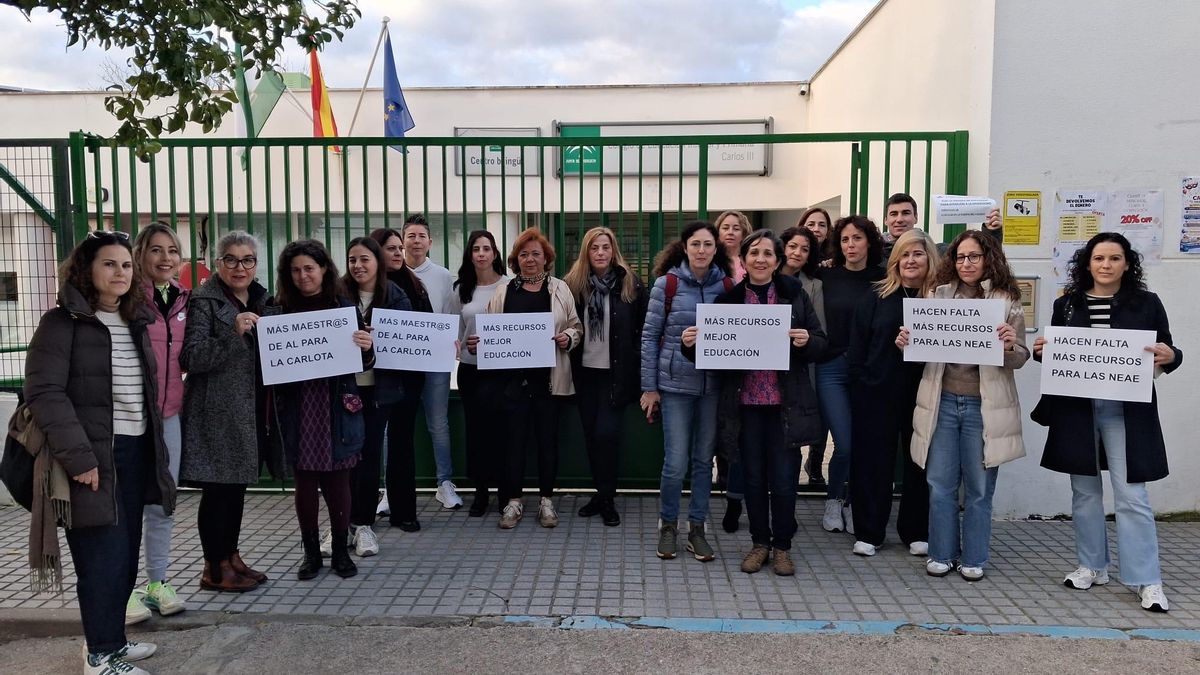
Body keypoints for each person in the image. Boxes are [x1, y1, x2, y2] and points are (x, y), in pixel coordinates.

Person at [25, 230, 176, 675]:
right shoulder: (62, 322)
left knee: (124, 556)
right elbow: (44, 392)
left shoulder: (134, 318)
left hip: (134, 452)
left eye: (126, 265)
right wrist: (80, 458)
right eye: (109, 264)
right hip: (91, 458)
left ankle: (112, 640)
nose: (120, 272)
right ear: (86, 270)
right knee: (101, 559)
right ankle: (99, 655)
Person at [1031, 232, 1180, 613]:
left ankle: (1147, 580)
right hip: (1077, 411)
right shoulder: (1066, 304)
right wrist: (1042, 352)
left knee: (1132, 496)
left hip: (1126, 411)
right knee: (1084, 493)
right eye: (1099, 258)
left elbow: (1167, 349)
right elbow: (1057, 355)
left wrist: (1171, 355)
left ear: (1127, 264)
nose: (1106, 265)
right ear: (1087, 263)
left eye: (1114, 258)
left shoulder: (1147, 302)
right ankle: (1092, 566)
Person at [682, 229, 826, 576]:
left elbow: (821, 343)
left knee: (785, 479)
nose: (760, 259)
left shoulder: (794, 296)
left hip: (785, 406)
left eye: (768, 254)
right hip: (744, 406)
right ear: (743, 260)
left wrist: (807, 341)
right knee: (754, 479)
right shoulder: (727, 302)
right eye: (754, 253)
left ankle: (782, 547)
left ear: (777, 261)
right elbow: (713, 356)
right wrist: (691, 346)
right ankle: (760, 543)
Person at [900, 230, 1028, 582]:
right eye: (960, 257)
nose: (966, 263)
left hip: (984, 407)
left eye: (974, 256)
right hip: (940, 402)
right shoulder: (936, 294)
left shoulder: (1006, 299)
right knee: (939, 483)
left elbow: (1020, 358)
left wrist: (1010, 345)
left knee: (979, 488)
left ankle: (974, 557)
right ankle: (941, 553)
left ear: (988, 259)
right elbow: (922, 349)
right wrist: (907, 342)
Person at [270, 239, 372, 581]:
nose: (303, 276)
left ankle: (340, 550)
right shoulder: (278, 311)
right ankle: (311, 553)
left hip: (335, 404)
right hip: (299, 405)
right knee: (305, 480)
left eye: (309, 268)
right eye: (295, 270)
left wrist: (366, 347)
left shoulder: (343, 307)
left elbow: (363, 362)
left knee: (339, 480)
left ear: (324, 269)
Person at [179, 231, 272, 593]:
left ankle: (231, 557)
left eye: (247, 259)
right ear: (218, 263)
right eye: (230, 259)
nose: (239, 267)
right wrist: (232, 334)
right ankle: (214, 568)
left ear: (256, 264)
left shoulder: (264, 299)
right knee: (218, 491)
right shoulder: (203, 301)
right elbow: (191, 357)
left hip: (249, 409)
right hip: (216, 412)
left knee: (235, 489)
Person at [640, 220, 733, 561]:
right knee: (676, 462)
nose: (702, 250)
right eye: (696, 244)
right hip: (676, 386)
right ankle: (668, 525)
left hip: (712, 386)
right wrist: (649, 388)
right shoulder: (666, 285)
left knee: (702, 461)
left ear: (715, 249)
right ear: (684, 247)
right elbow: (649, 337)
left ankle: (697, 528)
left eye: (708, 244)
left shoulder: (727, 285)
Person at [846, 228, 940, 558]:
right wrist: (860, 386)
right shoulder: (876, 295)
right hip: (877, 392)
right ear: (895, 260)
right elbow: (857, 347)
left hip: (924, 394)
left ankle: (916, 531)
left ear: (930, 258)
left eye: (918, 254)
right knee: (873, 463)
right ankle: (869, 532)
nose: (910, 260)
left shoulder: (941, 300)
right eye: (904, 254)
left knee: (919, 463)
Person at [484, 228, 582, 529]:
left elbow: (576, 327)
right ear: (516, 259)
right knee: (513, 443)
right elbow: (490, 329)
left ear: (546, 258)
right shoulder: (503, 291)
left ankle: (546, 501)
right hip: (513, 384)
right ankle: (513, 502)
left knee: (547, 443)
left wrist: (568, 337)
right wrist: (481, 343)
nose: (530, 259)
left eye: (536, 254)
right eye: (524, 254)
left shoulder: (559, 289)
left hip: (549, 383)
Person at [563, 226, 649, 527]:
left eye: (605, 247)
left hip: (617, 374)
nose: (600, 253)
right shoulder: (572, 285)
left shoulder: (630, 284)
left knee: (606, 434)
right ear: (586, 252)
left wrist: (637, 363)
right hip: (585, 374)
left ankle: (607, 497)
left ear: (613, 251)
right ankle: (600, 494)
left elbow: (644, 329)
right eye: (594, 247)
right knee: (591, 436)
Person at [126, 224, 189, 624]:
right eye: (156, 250)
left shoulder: (185, 299)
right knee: (126, 506)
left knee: (163, 502)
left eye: (172, 251)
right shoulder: (127, 299)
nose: (165, 258)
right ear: (140, 255)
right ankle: (123, 589)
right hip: (130, 418)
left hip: (169, 415)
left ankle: (157, 583)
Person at [340, 236, 412, 557]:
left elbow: (408, 343)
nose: (358, 266)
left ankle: (363, 523)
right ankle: (342, 523)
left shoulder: (395, 296)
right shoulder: (337, 295)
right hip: (343, 388)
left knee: (369, 454)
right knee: (343, 457)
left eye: (364, 259)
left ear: (377, 262)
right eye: (352, 259)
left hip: (378, 389)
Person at [814, 215, 885, 533]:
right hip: (831, 368)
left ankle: (854, 503)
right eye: (844, 239)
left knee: (865, 441)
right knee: (845, 443)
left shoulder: (883, 279)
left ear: (869, 242)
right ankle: (833, 500)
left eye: (857, 238)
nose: (850, 245)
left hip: (868, 369)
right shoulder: (826, 275)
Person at [368, 227, 430, 531]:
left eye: (398, 248)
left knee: (402, 443)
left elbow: (430, 325)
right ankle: (362, 513)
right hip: (373, 380)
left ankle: (404, 511)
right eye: (390, 248)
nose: (397, 253)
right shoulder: (364, 286)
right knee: (369, 446)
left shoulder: (415, 284)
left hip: (408, 379)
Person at [401, 213, 462, 510]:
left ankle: (444, 482)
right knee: (393, 426)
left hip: (435, 362)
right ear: (402, 241)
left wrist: (453, 341)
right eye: (410, 236)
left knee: (438, 423)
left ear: (430, 242)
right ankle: (391, 488)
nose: (416, 241)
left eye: (421, 236)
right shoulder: (389, 274)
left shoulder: (442, 275)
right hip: (398, 364)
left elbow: (451, 316)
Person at [448, 229, 508, 516]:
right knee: (477, 432)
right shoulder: (461, 289)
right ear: (470, 255)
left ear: (495, 253)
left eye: (486, 248)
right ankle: (481, 492)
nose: (481, 254)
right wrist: (463, 347)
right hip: (472, 371)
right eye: (476, 249)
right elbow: (454, 332)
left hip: (502, 372)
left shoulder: (509, 285)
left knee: (502, 432)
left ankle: (506, 491)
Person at [780, 225, 828, 487]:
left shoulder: (813, 286)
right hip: (761, 376)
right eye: (792, 246)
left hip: (797, 369)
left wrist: (806, 339)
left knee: (791, 441)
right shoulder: (759, 278)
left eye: (805, 249)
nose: (797, 253)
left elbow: (819, 334)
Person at [712, 209, 749, 532]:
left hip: (748, 357)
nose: (731, 232)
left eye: (737, 227)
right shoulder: (711, 264)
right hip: (717, 353)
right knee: (719, 422)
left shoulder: (751, 264)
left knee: (737, 427)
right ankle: (723, 478)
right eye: (725, 227)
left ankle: (733, 490)